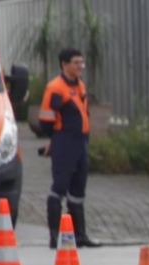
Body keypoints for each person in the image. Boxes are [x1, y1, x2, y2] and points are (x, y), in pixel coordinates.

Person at [39, 48, 100, 249]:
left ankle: (79, 235)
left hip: (80, 142)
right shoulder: (55, 88)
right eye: (76, 63)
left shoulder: (80, 85)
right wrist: (55, 139)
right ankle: (55, 236)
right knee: (60, 186)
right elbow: (46, 119)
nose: (80, 66)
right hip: (64, 141)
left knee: (78, 188)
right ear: (64, 64)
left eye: (82, 62)